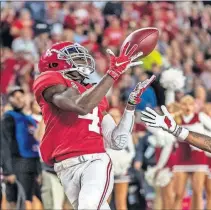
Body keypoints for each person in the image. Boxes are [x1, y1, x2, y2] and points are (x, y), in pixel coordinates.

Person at [33, 41, 154, 210]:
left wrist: (130, 106)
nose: (83, 61)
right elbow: (80, 106)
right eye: (75, 58)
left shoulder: (95, 93)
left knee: (88, 206)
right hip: (65, 165)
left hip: (94, 161)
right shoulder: (51, 79)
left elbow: (117, 142)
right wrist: (112, 74)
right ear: (54, 63)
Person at [173, 95, 211, 210]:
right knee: (178, 193)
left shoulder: (200, 116)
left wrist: (202, 138)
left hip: (198, 157)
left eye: (190, 104)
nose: (187, 107)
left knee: (197, 192)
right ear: (181, 106)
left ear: (194, 106)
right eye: (185, 104)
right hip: (181, 157)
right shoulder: (176, 118)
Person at [1, 86, 41, 210]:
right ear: (10, 100)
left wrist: (39, 170)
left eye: (21, 96)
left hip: (33, 164)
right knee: (17, 202)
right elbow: (4, 145)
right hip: (17, 164)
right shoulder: (8, 118)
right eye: (15, 97)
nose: (19, 99)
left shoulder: (30, 119)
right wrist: (8, 171)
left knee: (32, 199)